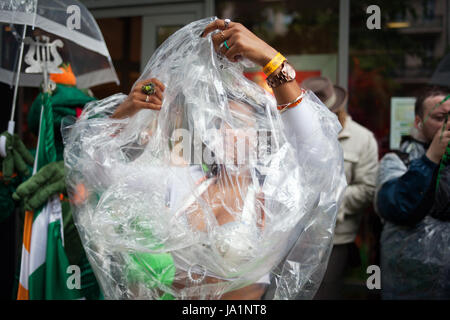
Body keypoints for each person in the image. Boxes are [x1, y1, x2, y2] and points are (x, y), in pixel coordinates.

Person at [64, 18, 346, 300]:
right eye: (220, 123)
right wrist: (126, 113)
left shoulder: (271, 197)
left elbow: (319, 157)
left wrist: (270, 61)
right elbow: (97, 171)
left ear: (260, 136)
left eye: (238, 123)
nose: (227, 132)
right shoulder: (182, 183)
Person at [302, 76, 379, 299]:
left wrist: (327, 203)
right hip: (295, 239)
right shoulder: (300, 133)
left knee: (325, 293)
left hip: (336, 239)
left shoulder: (362, 139)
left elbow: (366, 189)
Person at [375, 86, 450, 299]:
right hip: (409, 287)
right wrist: (431, 158)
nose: (448, 124)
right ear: (418, 122)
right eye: (440, 117)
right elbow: (398, 207)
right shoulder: (397, 161)